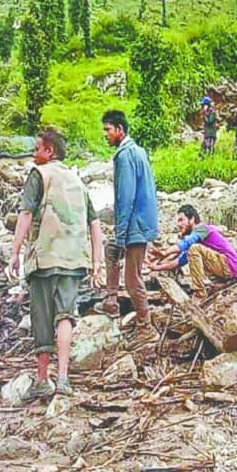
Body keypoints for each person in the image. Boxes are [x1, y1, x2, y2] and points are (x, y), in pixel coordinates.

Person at [7, 129, 105, 399]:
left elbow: (25, 214)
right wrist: (97, 261)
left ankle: (42, 379)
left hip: (44, 258)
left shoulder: (39, 175)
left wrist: (15, 252)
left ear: (49, 151)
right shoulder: (77, 180)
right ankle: (63, 379)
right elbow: (95, 224)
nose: (33, 153)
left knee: (42, 318)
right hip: (73, 260)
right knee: (66, 316)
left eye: (37, 148)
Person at [97, 110, 158, 337]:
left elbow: (125, 197)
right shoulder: (138, 151)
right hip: (142, 221)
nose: (105, 134)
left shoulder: (124, 156)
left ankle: (146, 325)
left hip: (135, 224)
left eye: (108, 130)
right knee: (111, 249)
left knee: (132, 279)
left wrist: (121, 233)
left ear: (119, 130)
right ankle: (111, 300)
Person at [146, 204, 237, 299]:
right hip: (225, 268)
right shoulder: (197, 241)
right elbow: (179, 262)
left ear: (191, 219)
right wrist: (156, 267)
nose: (178, 224)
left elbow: (185, 243)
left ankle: (200, 294)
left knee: (194, 248)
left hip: (229, 265)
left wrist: (165, 253)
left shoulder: (202, 228)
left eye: (181, 220)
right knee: (192, 250)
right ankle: (216, 284)